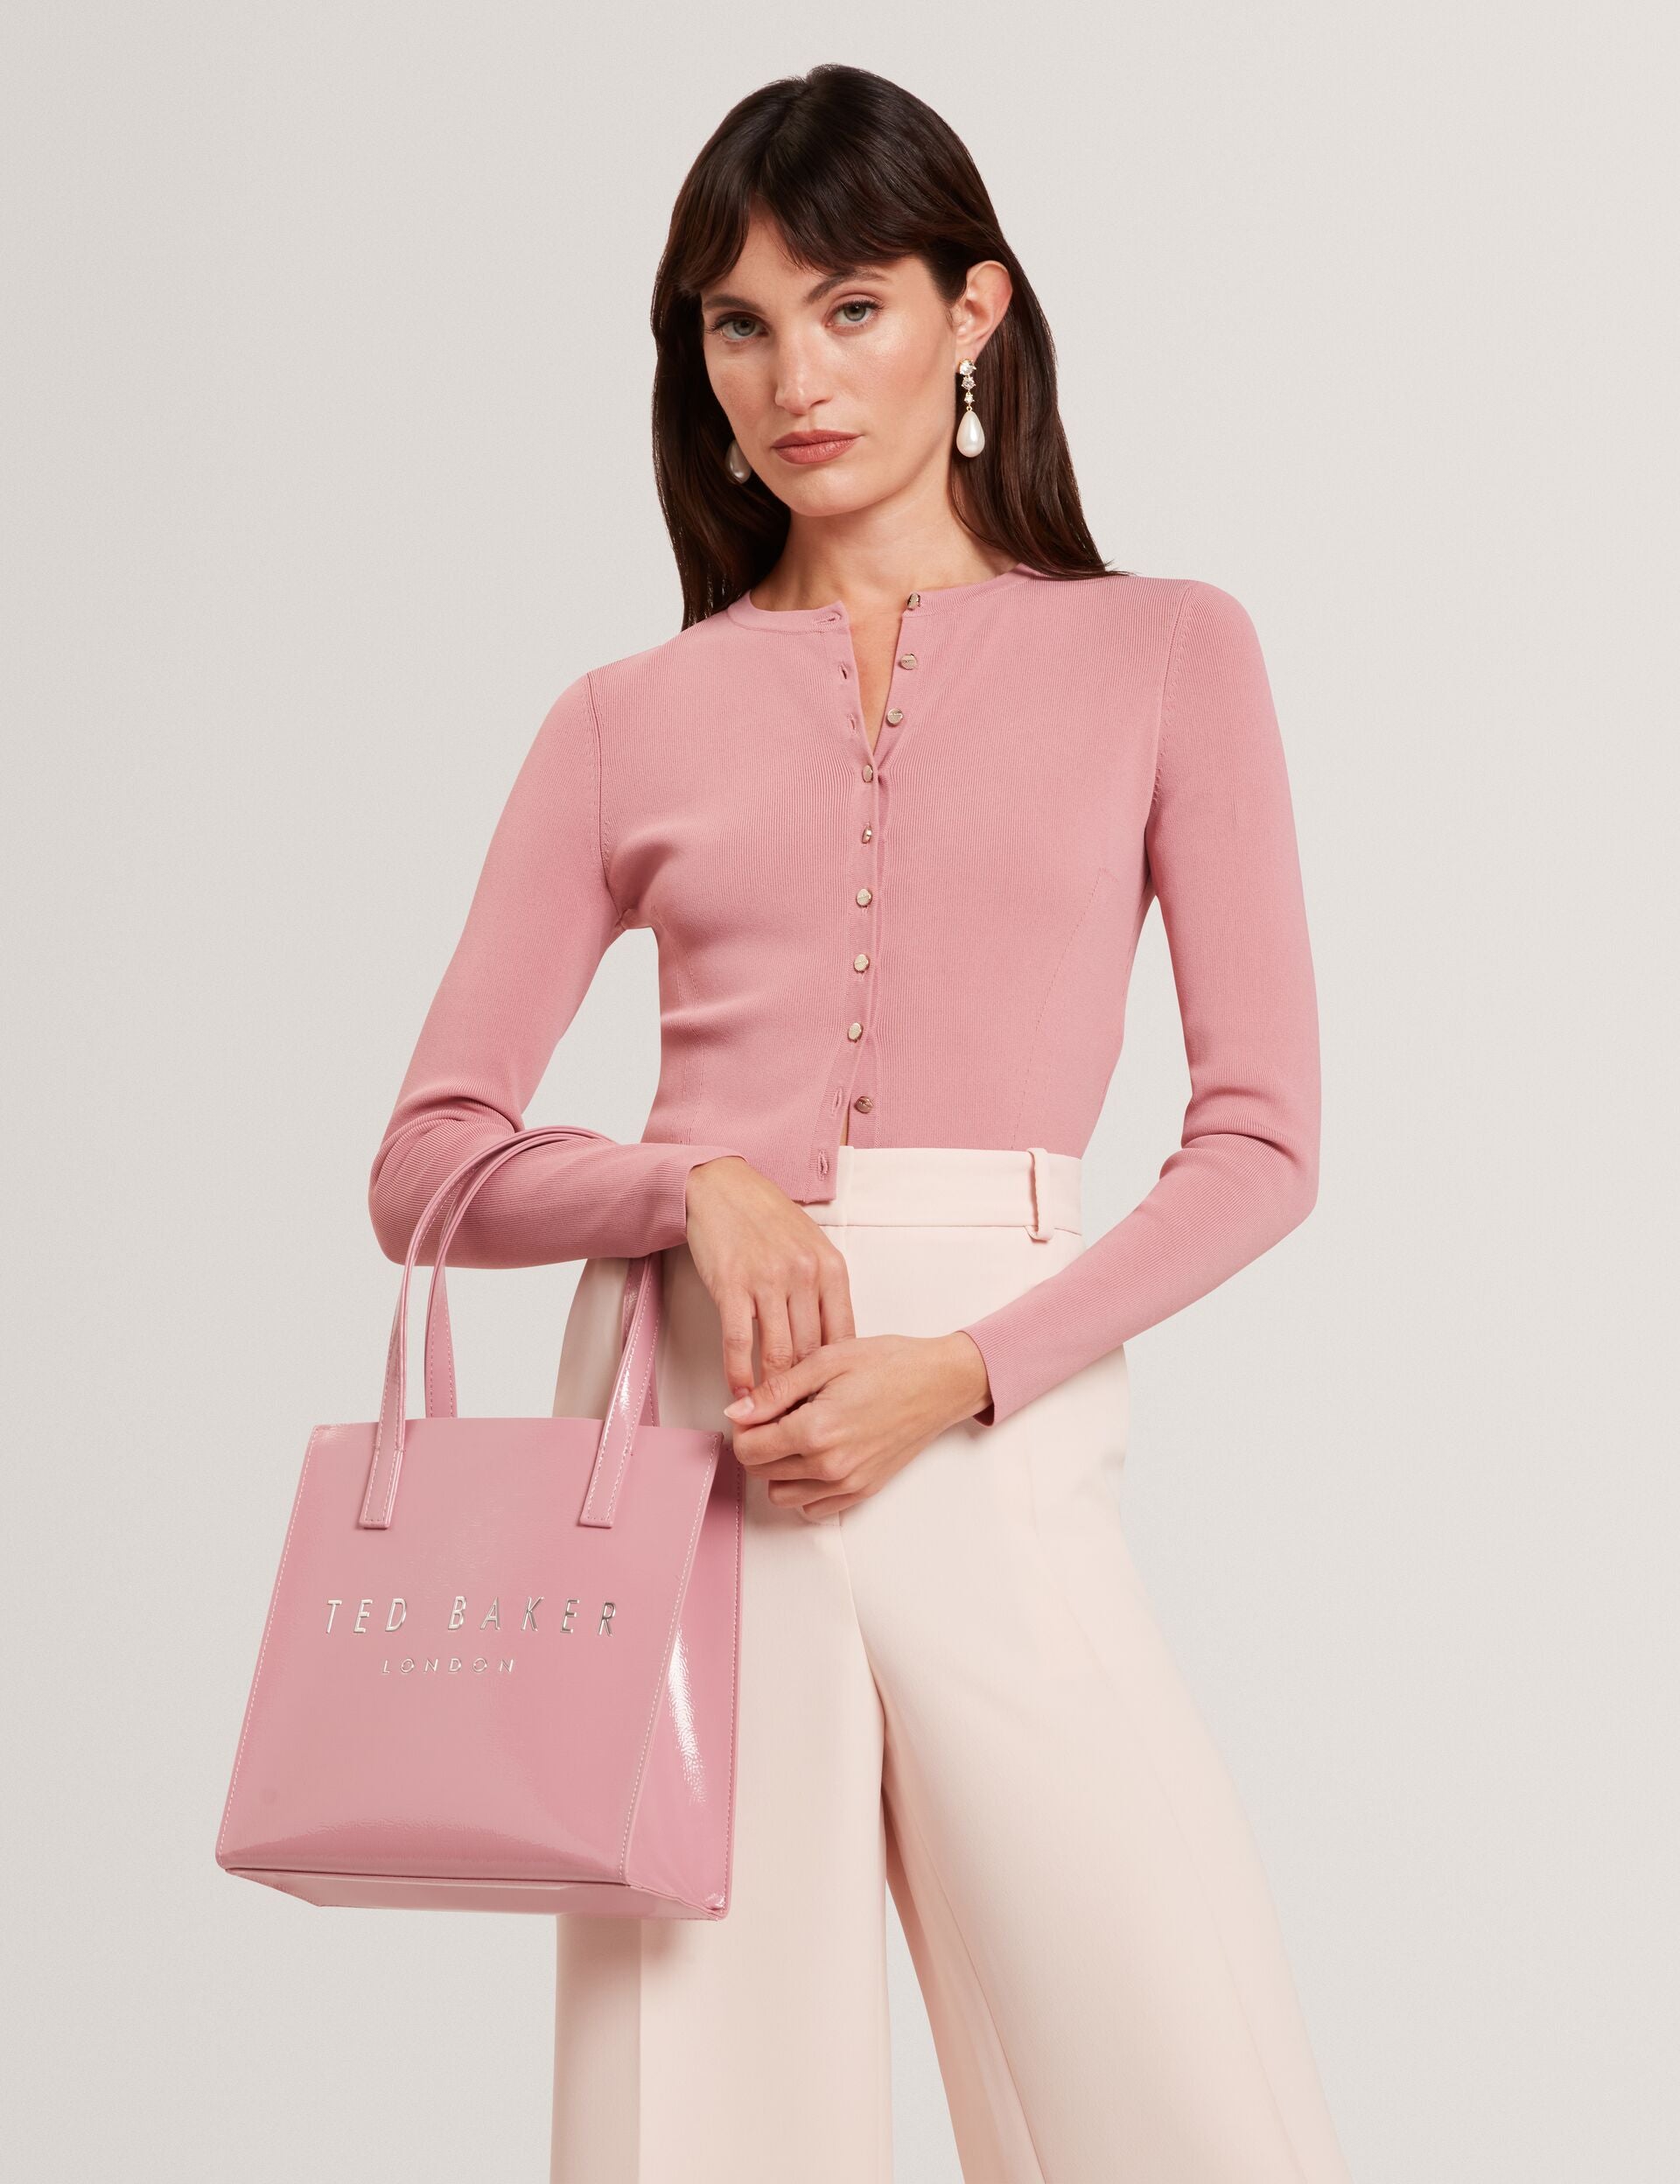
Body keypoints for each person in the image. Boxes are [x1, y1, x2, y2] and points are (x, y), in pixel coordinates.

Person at [367, 60, 1354, 2184]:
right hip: (693, 1443)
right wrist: (691, 1187)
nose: (795, 378)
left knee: (1180, 2089)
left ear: (972, 311)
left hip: (995, 1422)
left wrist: (962, 1372)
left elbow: (1262, 1141)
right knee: (702, 2120)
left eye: (851, 307)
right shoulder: (623, 718)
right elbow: (426, 1163)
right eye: (739, 324)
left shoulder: (1169, 655)